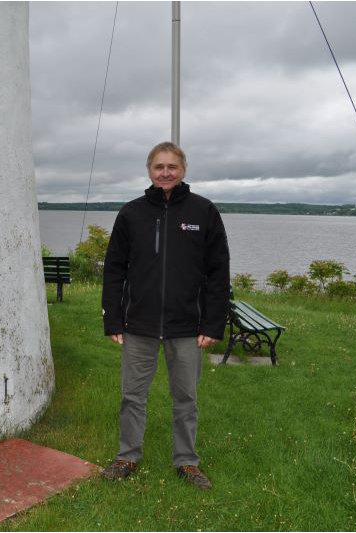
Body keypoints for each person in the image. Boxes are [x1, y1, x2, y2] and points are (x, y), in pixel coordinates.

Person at [100, 142, 229, 490]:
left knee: (185, 398)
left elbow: (218, 272)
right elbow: (114, 270)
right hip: (138, 324)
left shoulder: (204, 212)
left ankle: (187, 462)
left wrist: (213, 323)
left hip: (187, 327)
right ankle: (127, 455)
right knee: (132, 396)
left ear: (184, 170)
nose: (166, 172)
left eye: (172, 166)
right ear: (149, 171)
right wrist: (113, 318)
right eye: (159, 167)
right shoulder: (131, 213)